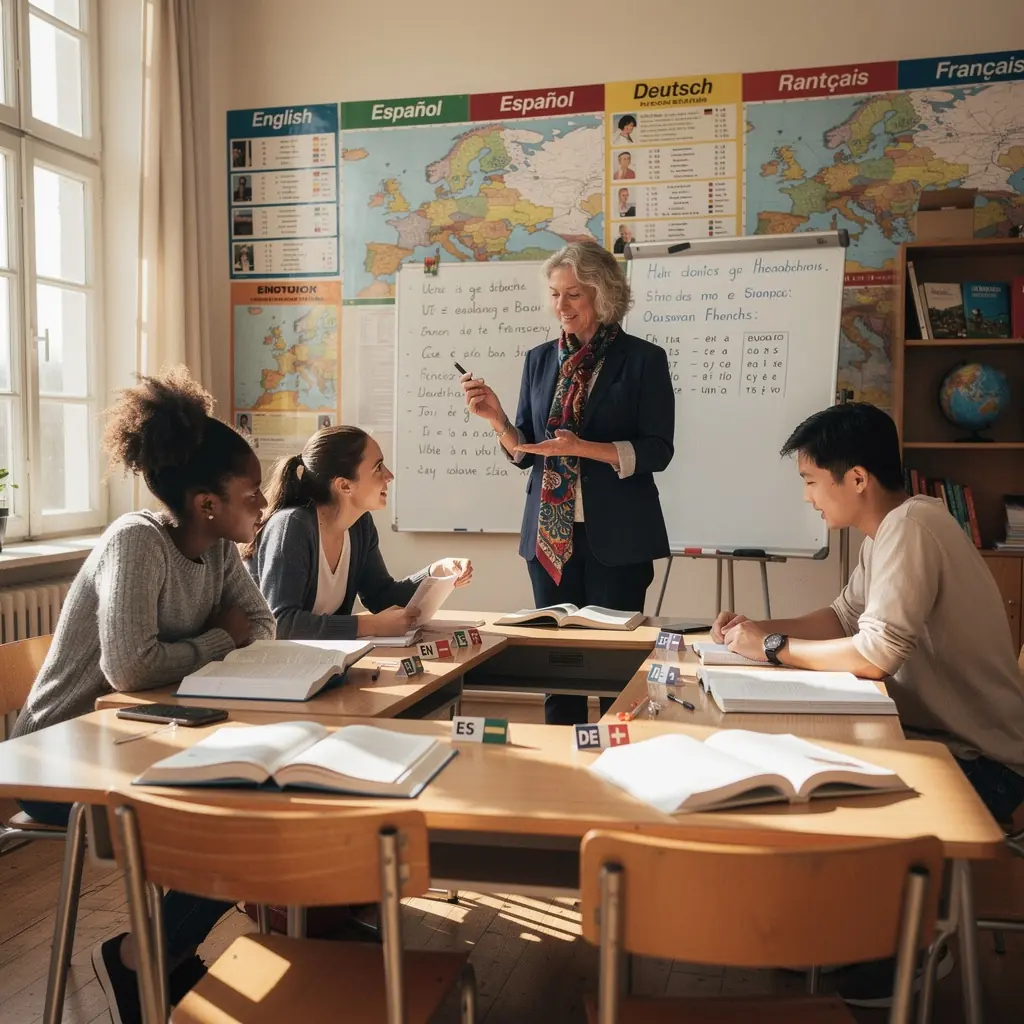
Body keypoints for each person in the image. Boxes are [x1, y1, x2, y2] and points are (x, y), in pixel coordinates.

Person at [712, 401, 1024, 1004]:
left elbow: (876, 653)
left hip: (984, 763)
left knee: (824, 789)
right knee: (808, 765)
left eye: (811, 480)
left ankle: (905, 951)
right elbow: (843, 617)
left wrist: (771, 648)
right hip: (938, 741)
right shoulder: (888, 531)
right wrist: (754, 630)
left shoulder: (913, 527)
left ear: (856, 478)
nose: (807, 496)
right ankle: (846, 933)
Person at [11, 366, 276, 1021]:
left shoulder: (219, 550)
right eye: (252, 495)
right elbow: (131, 668)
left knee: (260, 807)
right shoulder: (137, 542)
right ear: (207, 503)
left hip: (140, 742)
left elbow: (262, 624)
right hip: (59, 760)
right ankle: (143, 960)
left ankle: (155, 956)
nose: (264, 506)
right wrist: (219, 639)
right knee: (234, 826)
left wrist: (219, 639)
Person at [461, 241, 674, 725]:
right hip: (548, 539)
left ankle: (620, 756)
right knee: (558, 670)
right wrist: (496, 419)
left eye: (574, 294)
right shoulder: (539, 359)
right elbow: (525, 452)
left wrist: (584, 448)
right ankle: (562, 759)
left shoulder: (643, 360)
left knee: (615, 670)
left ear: (604, 294)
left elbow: (658, 450)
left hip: (618, 538)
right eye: (556, 294)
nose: (562, 306)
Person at [245, 426, 472, 639]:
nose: (389, 475)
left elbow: (380, 596)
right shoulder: (292, 527)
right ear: (344, 486)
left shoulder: (360, 525)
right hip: (271, 663)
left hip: (320, 661)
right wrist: (370, 625)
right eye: (378, 468)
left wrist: (435, 572)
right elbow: (282, 624)